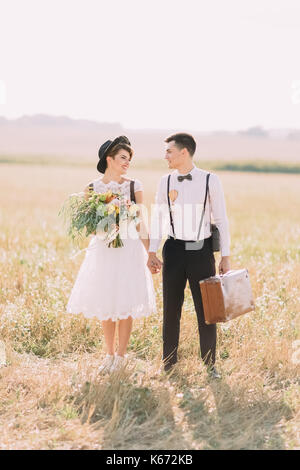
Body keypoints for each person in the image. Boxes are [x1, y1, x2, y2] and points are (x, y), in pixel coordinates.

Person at [66, 136, 156, 373]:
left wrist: (151, 253)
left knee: (125, 301)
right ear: (110, 159)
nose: (127, 162)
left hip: (128, 249)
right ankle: (108, 355)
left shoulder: (134, 186)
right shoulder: (92, 188)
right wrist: (108, 222)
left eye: (129, 159)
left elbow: (140, 222)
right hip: (103, 250)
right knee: (106, 301)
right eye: (123, 158)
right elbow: (89, 226)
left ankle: (121, 357)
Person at [147, 133, 231, 379]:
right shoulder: (164, 181)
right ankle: (169, 364)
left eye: (169, 152)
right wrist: (152, 250)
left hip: (201, 252)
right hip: (173, 251)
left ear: (184, 152)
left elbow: (221, 219)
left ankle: (210, 365)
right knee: (170, 309)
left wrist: (225, 256)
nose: (165, 156)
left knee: (207, 310)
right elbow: (159, 217)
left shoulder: (210, 180)